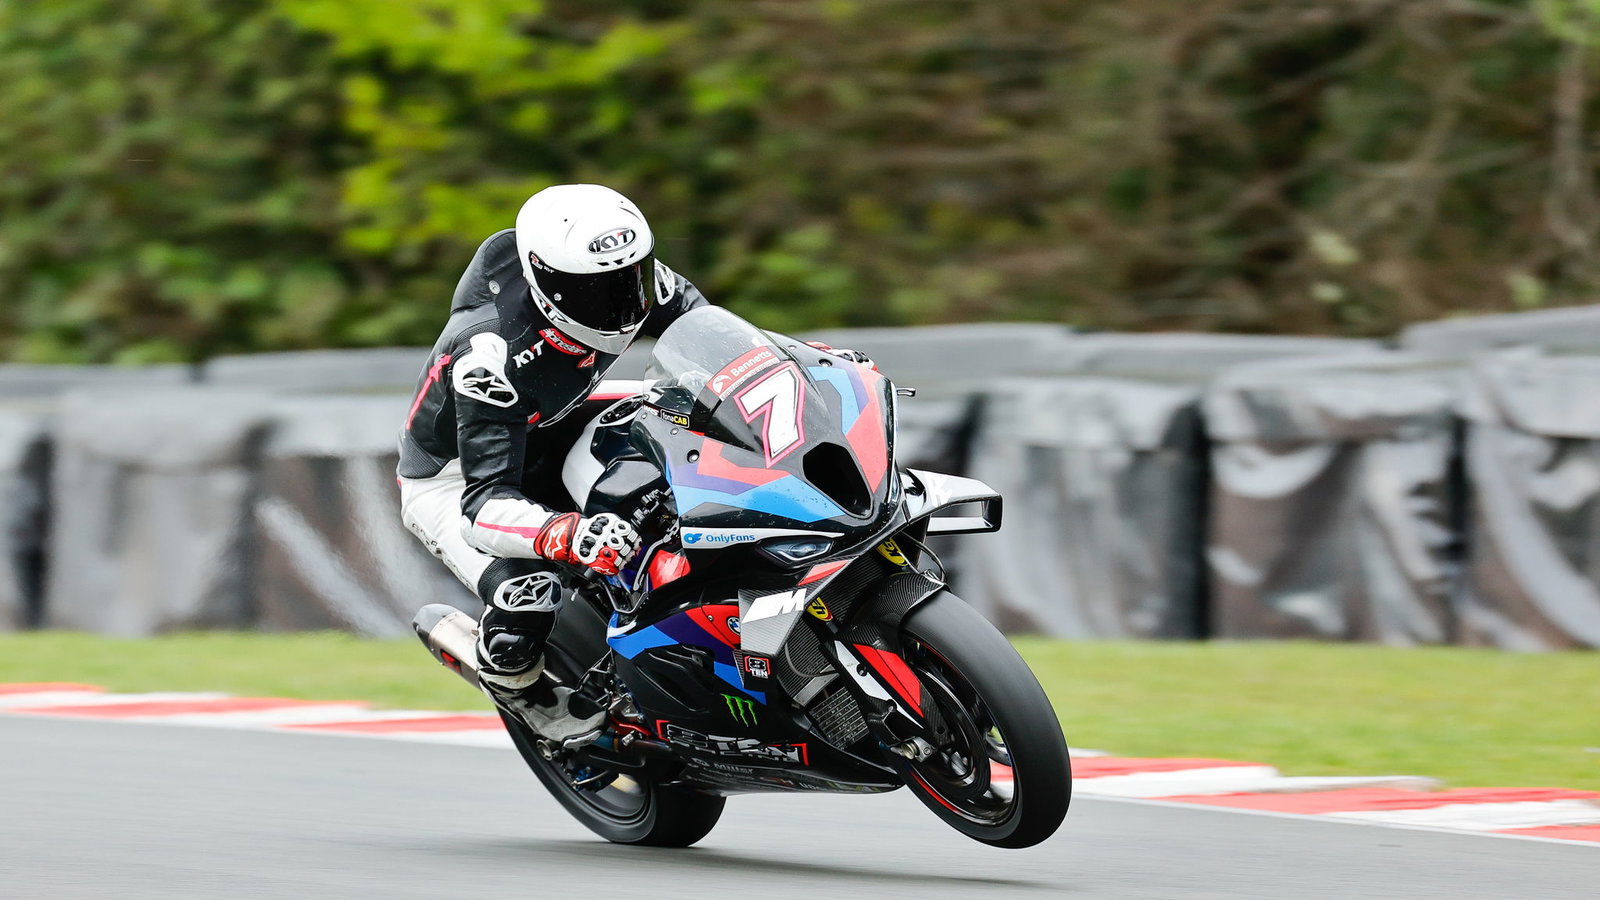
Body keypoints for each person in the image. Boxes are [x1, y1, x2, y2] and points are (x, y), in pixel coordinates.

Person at [396, 184, 711, 740]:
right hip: (458, 478)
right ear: (545, 281)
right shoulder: (486, 352)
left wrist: (789, 365)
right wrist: (565, 534)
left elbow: (714, 342)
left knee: (687, 439)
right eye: (595, 292)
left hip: (561, 417)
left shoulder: (641, 281)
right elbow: (483, 504)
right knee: (530, 590)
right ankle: (516, 680)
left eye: (629, 280)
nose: (622, 306)